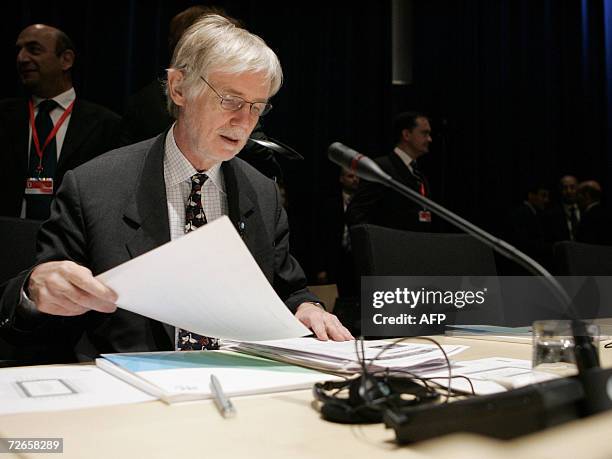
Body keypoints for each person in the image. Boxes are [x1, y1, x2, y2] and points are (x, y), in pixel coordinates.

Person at [0, 15, 352, 363]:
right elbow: (43, 317)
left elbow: (287, 289)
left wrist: (307, 308)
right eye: (230, 100)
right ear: (179, 88)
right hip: (132, 391)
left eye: (256, 108)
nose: (244, 122)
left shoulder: (262, 192)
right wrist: (33, 293)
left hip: (240, 383)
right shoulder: (93, 187)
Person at [0, 24, 121, 220]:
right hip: (9, 240)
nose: (21, 58)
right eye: (19, 50)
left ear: (66, 60)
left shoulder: (106, 125)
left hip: (73, 243)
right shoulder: (4, 116)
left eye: (33, 49)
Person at [346, 111, 433, 231]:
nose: (430, 139)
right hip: (389, 246)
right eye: (425, 133)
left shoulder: (419, 175)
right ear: (406, 134)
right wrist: (374, 245)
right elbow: (357, 212)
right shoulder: (380, 168)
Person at [544, 175, 581, 243]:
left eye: (572, 187)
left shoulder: (586, 210)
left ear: (578, 188)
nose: (569, 191)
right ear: (560, 190)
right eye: (565, 188)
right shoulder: (551, 214)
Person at [575, 180, 612, 245]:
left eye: (578, 194)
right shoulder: (607, 213)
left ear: (587, 195)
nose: (576, 198)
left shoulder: (588, 217)